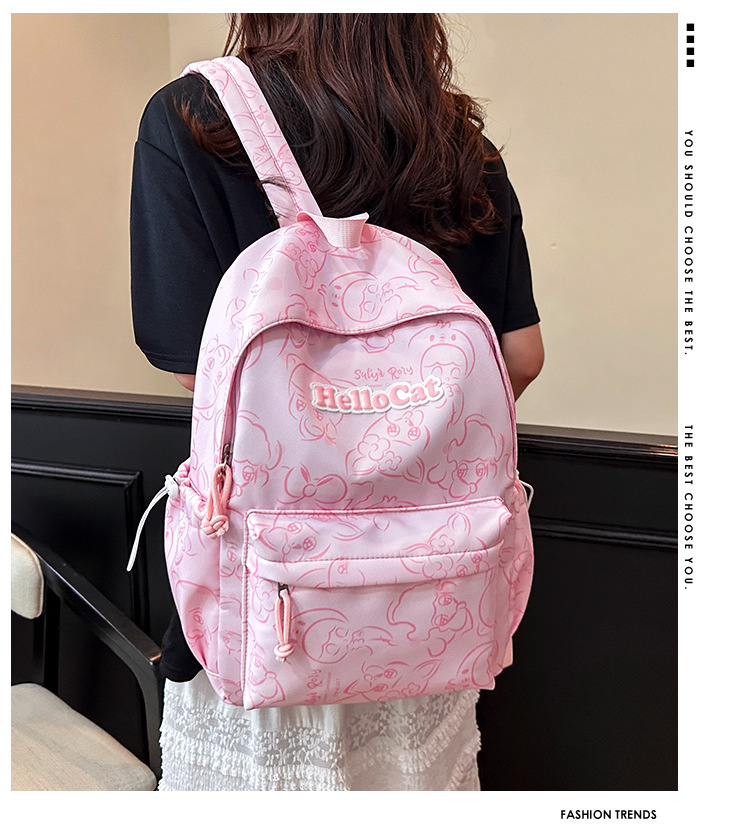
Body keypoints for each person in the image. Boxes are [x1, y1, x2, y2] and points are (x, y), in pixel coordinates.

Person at [131, 13, 543, 791]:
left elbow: (198, 371)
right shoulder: (461, 145)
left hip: (271, 613)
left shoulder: (192, 119)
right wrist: (412, 426)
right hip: (432, 619)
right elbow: (521, 354)